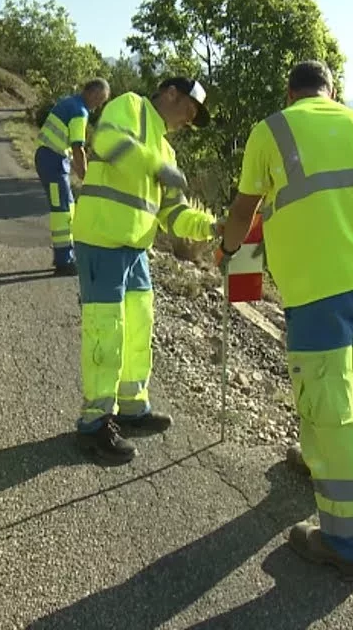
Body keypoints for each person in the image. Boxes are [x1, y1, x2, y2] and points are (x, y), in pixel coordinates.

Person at [216, 60, 353, 578]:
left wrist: (228, 249)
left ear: (289, 91)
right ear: (332, 91)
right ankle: (317, 456)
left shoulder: (271, 129)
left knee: (327, 402)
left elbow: (243, 209)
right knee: (346, 373)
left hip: (322, 282)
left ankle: (350, 541)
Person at [70, 77, 219, 463]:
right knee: (107, 331)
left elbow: (173, 214)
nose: (190, 119)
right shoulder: (131, 106)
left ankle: (131, 406)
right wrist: (157, 166)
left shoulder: (166, 149)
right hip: (101, 240)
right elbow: (106, 141)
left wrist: (209, 226)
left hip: (135, 249)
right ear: (171, 93)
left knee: (139, 326)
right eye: (190, 109)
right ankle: (95, 422)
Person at [34, 79, 112, 276]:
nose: (99, 105)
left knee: (66, 207)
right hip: (53, 161)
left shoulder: (70, 102)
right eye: (100, 99)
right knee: (62, 210)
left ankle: (65, 256)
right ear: (93, 94)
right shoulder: (80, 111)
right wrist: (86, 178)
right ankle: (64, 262)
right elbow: (78, 148)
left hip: (49, 158)